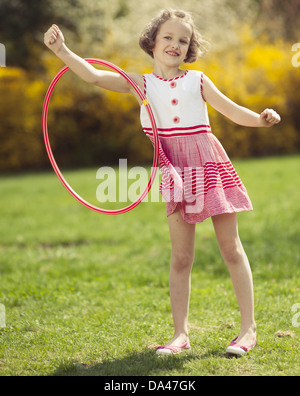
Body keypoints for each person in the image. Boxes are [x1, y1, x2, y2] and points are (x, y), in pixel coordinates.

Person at [44, 9, 281, 357]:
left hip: (208, 165)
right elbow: (94, 76)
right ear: (152, 42)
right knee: (181, 256)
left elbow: (232, 111)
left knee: (230, 247)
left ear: (189, 49)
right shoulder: (141, 85)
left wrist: (261, 120)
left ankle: (248, 330)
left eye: (183, 40)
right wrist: (62, 51)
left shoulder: (197, 80)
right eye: (168, 37)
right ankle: (180, 335)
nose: (175, 44)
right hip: (173, 171)